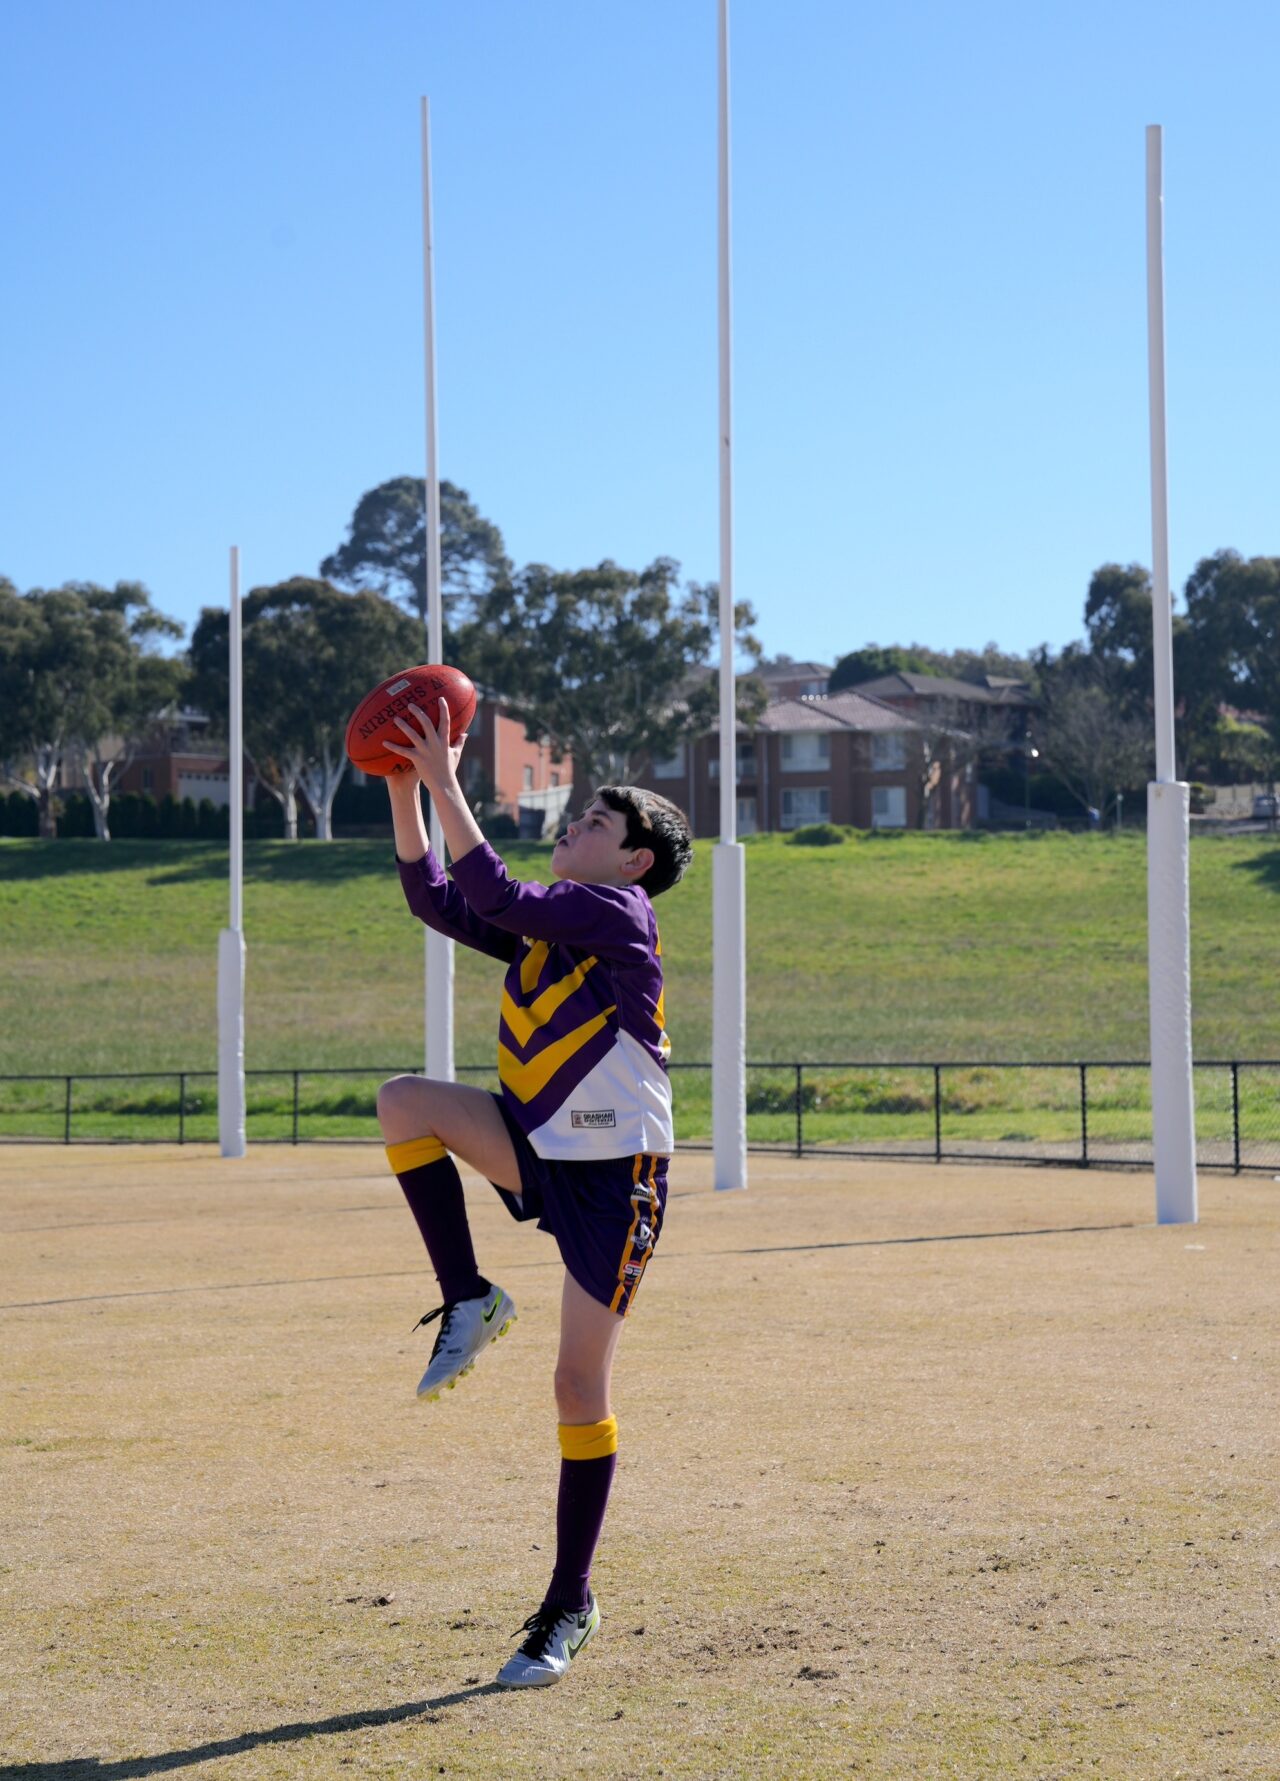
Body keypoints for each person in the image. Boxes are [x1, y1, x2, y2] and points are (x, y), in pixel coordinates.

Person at [377, 697, 692, 1690]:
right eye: (579, 814)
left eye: (597, 822)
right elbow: (438, 898)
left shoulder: (619, 914)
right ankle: (469, 1294)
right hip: (542, 1146)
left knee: (575, 1387)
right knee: (402, 1103)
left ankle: (570, 1600)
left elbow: (496, 889)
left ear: (634, 860)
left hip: (618, 1179)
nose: (574, 825)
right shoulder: (546, 931)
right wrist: (402, 788)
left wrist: (445, 777)